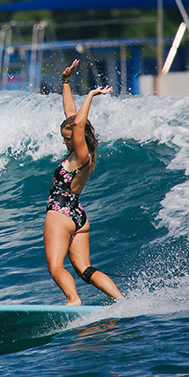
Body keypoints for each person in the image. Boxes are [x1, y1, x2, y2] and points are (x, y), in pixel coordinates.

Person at [43, 59, 122, 305]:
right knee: (84, 269)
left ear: (77, 137)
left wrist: (90, 94)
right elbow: (72, 117)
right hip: (78, 215)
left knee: (56, 266)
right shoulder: (83, 154)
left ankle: (72, 299)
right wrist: (66, 82)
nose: (64, 142)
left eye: (67, 139)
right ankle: (121, 300)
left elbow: (76, 123)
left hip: (60, 214)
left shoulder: (80, 155)